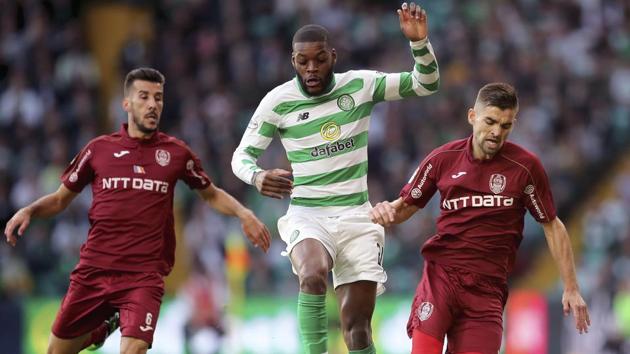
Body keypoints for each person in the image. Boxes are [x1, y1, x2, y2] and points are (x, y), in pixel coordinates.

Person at [4, 67, 271, 354]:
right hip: (94, 271)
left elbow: (211, 194)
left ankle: (110, 323)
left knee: (133, 350)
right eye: (144, 97)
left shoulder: (177, 154)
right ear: (127, 104)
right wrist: (29, 210)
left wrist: (245, 213)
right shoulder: (98, 150)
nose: (153, 104)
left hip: (144, 276)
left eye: (158, 98)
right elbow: (60, 199)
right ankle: (103, 328)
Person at [231, 2, 439, 353]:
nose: (311, 69)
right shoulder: (277, 102)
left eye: (319, 59)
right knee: (311, 274)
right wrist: (257, 176)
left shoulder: (360, 85)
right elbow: (241, 156)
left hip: (357, 218)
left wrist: (419, 43)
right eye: (302, 61)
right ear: (292, 61)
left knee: (357, 333)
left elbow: (426, 84)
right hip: (308, 215)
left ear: (333, 56)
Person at [369, 82, 591, 354]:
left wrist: (571, 287)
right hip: (442, 278)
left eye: (506, 125)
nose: (497, 132)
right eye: (491, 121)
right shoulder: (442, 159)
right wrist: (384, 211)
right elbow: (403, 208)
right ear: (472, 116)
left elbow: (552, 226)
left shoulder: (525, 167)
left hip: (487, 292)